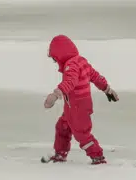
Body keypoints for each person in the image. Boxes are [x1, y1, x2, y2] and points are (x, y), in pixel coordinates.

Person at [41, 34, 118, 164]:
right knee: (62, 127)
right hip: (73, 107)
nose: (55, 62)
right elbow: (95, 76)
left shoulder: (71, 66)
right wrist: (107, 89)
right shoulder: (81, 61)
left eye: (55, 59)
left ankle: (97, 156)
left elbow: (70, 82)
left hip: (78, 108)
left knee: (82, 134)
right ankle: (60, 153)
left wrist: (56, 94)